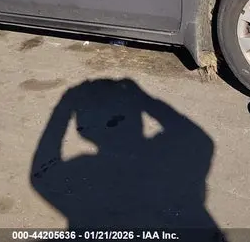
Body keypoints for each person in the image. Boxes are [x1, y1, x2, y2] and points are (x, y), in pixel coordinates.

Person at [30, 78, 223, 238]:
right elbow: (194, 135)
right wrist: (144, 99)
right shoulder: (174, 159)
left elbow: (42, 171)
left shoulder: (83, 171)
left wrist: (64, 107)